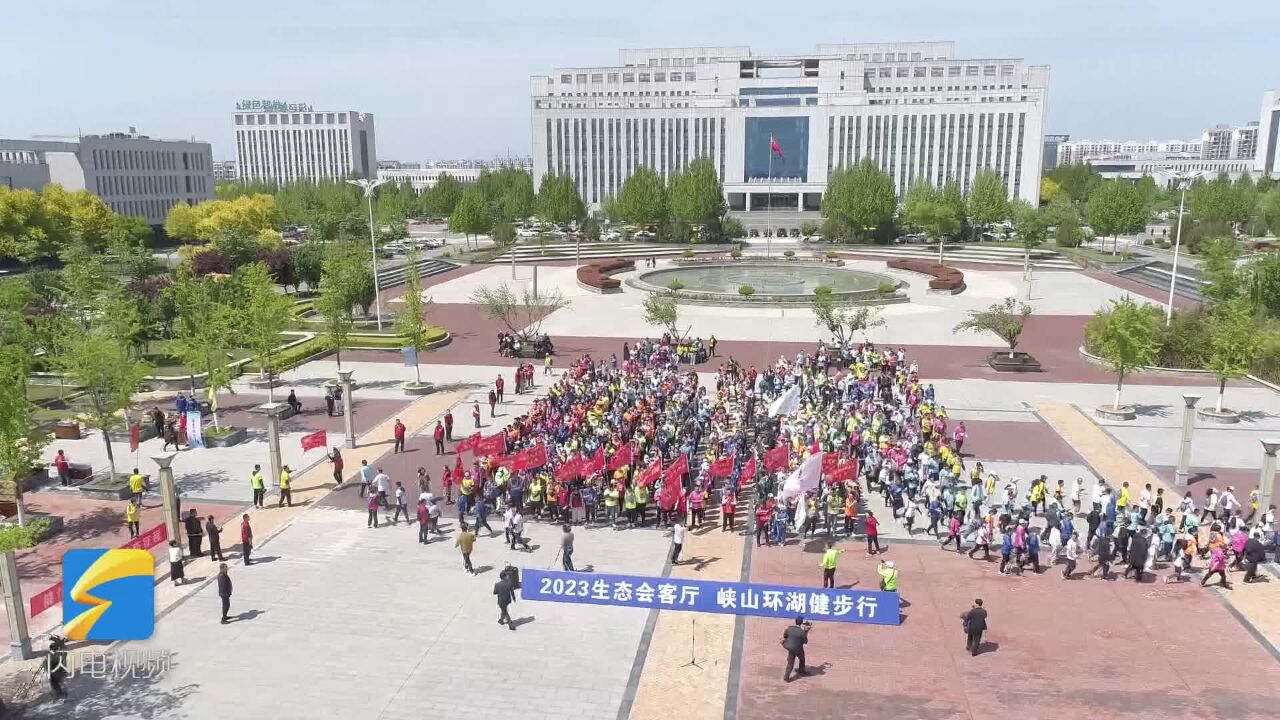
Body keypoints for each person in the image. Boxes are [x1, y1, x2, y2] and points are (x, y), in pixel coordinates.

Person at [780, 616, 810, 682]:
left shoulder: (789, 628)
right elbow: (805, 642)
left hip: (790, 648)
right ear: (801, 623)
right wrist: (806, 632)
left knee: (790, 663)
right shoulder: (802, 632)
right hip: (798, 649)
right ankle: (801, 670)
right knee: (802, 659)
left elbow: (785, 636)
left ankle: (786, 677)